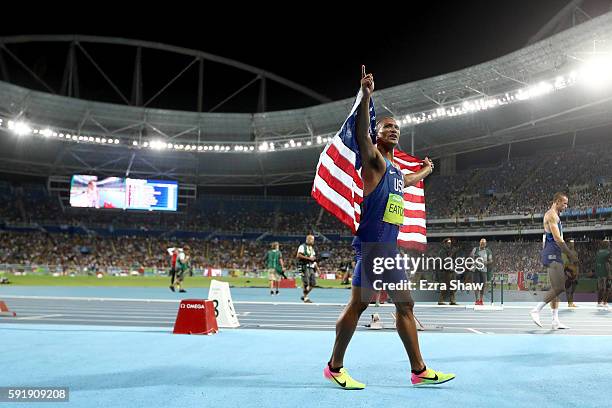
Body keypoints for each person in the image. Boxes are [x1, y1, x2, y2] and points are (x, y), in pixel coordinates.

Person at [324, 66, 454, 390]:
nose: (393, 130)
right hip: (372, 248)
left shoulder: (394, 171)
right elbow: (360, 136)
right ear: (377, 132)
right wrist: (366, 96)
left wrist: (425, 171)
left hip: (390, 252)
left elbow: (405, 182)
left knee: (405, 304)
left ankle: (419, 370)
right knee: (359, 304)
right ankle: (334, 366)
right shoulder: (374, 161)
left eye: (396, 127)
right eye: (386, 127)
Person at [529, 193, 578, 329]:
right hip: (551, 252)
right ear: (557, 201)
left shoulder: (556, 216)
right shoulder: (551, 215)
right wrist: (569, 254)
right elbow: (557, 238)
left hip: (554, 252)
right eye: (564, 203)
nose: (566, 206)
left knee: (555, 288)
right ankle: (536, 310)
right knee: (560, 287)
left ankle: (555, 320)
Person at [470, 238, 493, 305]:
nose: (482, 244)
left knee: (483, 286)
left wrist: (485, 262)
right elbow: (471, 256)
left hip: (484, 270)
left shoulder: (488, 251)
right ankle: (477, 300)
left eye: (484, 243)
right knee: (476, 285)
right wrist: (474, 258)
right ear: (479, 243)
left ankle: (481, 300)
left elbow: (491, 260)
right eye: (481, 243)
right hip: (476, 270)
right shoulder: (475, 249)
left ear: (485, 244)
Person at [437, 238, 458, 305]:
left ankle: (452, 300)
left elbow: (454, 260)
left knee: (453, 285)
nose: (449, 244)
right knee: (444, 286)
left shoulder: (451, 250)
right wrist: (452, 253)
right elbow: (446, 260)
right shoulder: (442, 251)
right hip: (445, 271)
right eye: (448, 242)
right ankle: (441, 300)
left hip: (452, 270)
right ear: (445, 243)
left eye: (450, 243)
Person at [297, 235, 317, 303]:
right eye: (312, 240)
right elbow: (298, 255)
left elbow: (313, 257)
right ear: (308, 240)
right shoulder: (302, 246)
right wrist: (309, 258)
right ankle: (305, 298)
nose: (313, 241)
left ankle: (304, 295)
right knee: (306, 283)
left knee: (313, 283)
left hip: (311, 266)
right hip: (303, 266)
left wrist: (316, 266)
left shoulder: (312, 248)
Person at [562, 240, 579, 308]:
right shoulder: (566, 253)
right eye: (571, 243)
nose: (572, 244)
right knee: (568, 288)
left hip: (574, 271)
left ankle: (571, 302)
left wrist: (577, 273)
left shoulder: (575, 253)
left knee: (573, 289)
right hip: (568, 271)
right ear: (568, 244)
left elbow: (577, 264)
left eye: (573, 243)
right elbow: (564, 263)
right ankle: (569, 302)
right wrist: (566, 273)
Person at [595, 240, 611, 309]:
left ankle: (599, 302)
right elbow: (607, 263)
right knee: (607, 288)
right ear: (607, 245)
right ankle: (604, 302)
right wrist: (609, 273)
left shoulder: (598, 252)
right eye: (609, 244)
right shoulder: (608, 252)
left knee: (600, 288)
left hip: (599, 272)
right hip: (605, 272)